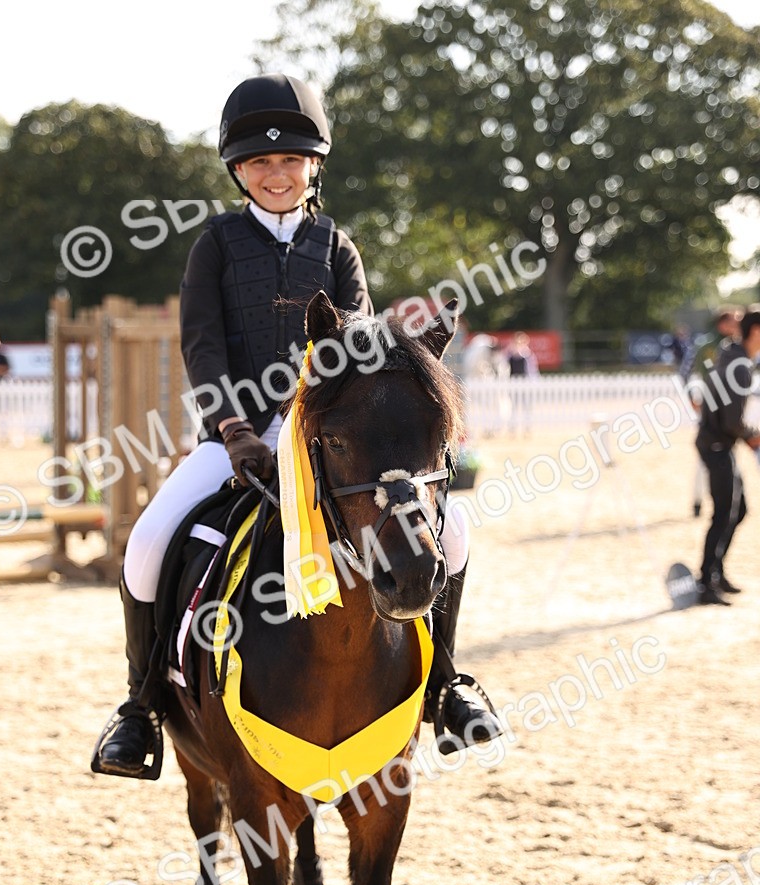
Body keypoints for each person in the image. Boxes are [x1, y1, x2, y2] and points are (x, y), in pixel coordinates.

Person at [95, 73, 501, 778]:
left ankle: (446, 686)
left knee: (453, 531)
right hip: (234, 441)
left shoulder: (337, 246)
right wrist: (234, 430)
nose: (276, 173)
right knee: (149, 541)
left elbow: (359, 349)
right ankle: (142, 706)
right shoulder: (215, 245)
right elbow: (203, 347)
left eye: (290, 160)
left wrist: (326, 430)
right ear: (238, 170)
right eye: (260, 162)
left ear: (314, 165)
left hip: (324, 441)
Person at [695, 306, 760, 606]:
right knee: (724, 513)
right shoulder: (739, 365)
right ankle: (706, 582)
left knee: (739, 509)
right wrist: (753, 434)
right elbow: (733, 421)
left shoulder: (734, 355)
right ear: (756, 331)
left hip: (719, 443)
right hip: (717, 445)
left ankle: (716, 573)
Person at [687, 307, 742, 517]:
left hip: (726, 404)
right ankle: (698, 499)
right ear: (722, 324)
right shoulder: (707, 345)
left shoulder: (737, 345)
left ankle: (717, 500)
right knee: (708, 452)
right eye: (734, 320)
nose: (737, 324)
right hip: (711, 404)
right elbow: (688, 371)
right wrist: (692, 396)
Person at [506, 332, 539, 434]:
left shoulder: (528, 356)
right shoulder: (509, 356)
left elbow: (532, 371)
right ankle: (513, 427)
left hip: (525, 384)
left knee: (527, 407)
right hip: (512, 384)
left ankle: (527, 427)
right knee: (513, 407)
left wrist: (533, 383)